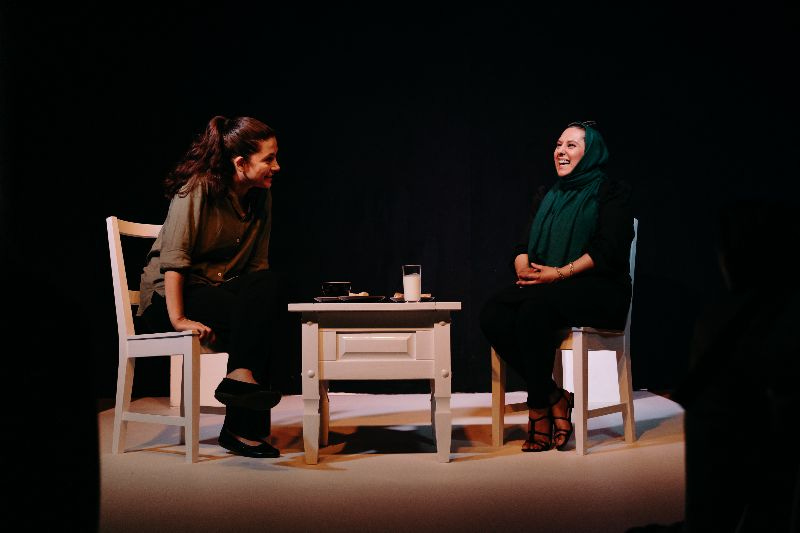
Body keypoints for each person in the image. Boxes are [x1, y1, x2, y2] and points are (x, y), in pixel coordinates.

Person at [480, 120, 634, 452]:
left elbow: (609, 250)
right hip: (551, 287)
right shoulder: (548, 196)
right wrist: (523, 264)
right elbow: (522, 244)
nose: (561, 151)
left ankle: (538, 410)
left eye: (571, 145)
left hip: (600, 288)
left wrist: (560, 273)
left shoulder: (611, 192)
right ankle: (556, 396)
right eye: (559, 144)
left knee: (534, 311)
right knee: (494, 313)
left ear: (590, 152)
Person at [138, 115, 286, 458]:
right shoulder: (199, 187)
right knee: (256, 319)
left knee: (270, 285)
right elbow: (174, 259)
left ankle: (239, 376)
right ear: (240, 162)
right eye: (268, 158)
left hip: (213, 295)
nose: (276, 166)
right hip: (169, 297)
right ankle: (241, 430)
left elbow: (256, 271)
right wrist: (178, 319)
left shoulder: (261, 198)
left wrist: (251, 302)